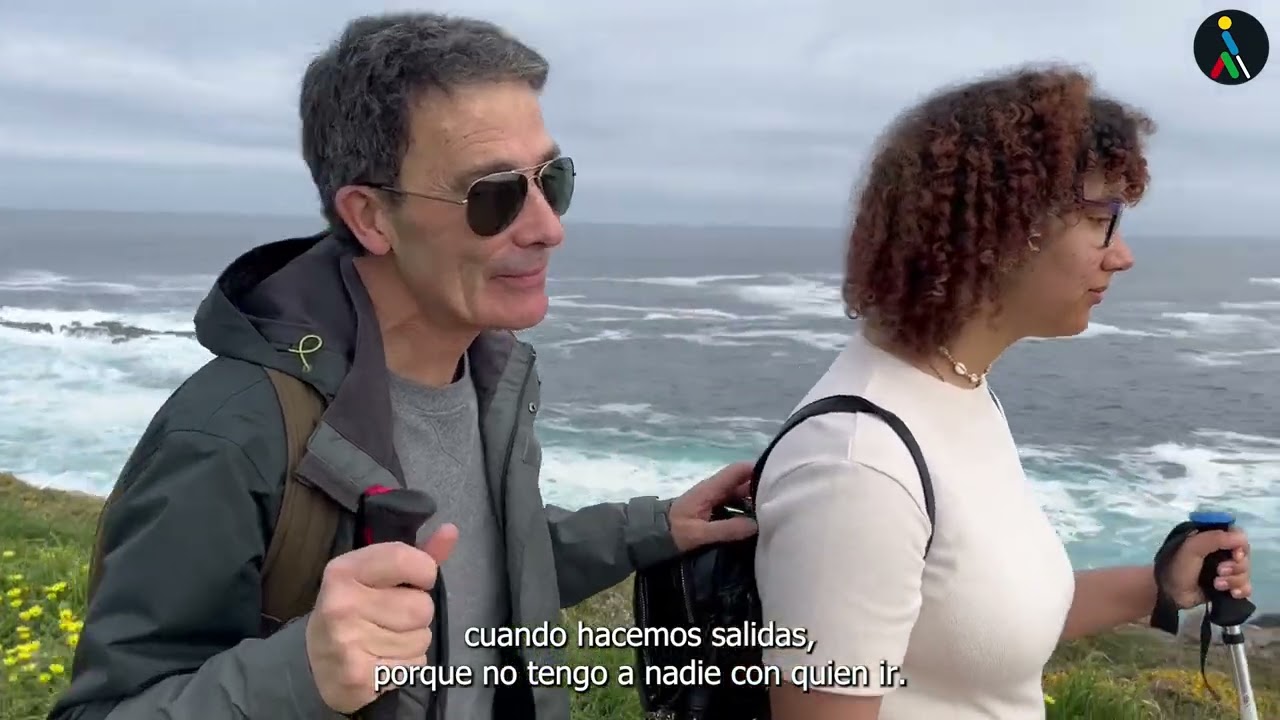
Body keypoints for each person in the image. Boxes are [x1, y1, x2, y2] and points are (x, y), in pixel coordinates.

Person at [46, 12, 757, 720]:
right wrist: (301, 675)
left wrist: (653, 527)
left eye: (552, 179)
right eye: (496, 195)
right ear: (370, 216)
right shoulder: (231, 436)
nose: (549, 227)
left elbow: (479, 561)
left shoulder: (490, 375)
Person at [752, 64, 1254, 720]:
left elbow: (980, 628)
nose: (1122, 255)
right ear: (1006, 229)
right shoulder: (856, 466)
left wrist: (1161, 585)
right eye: (1102, 219)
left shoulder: (957, 390)